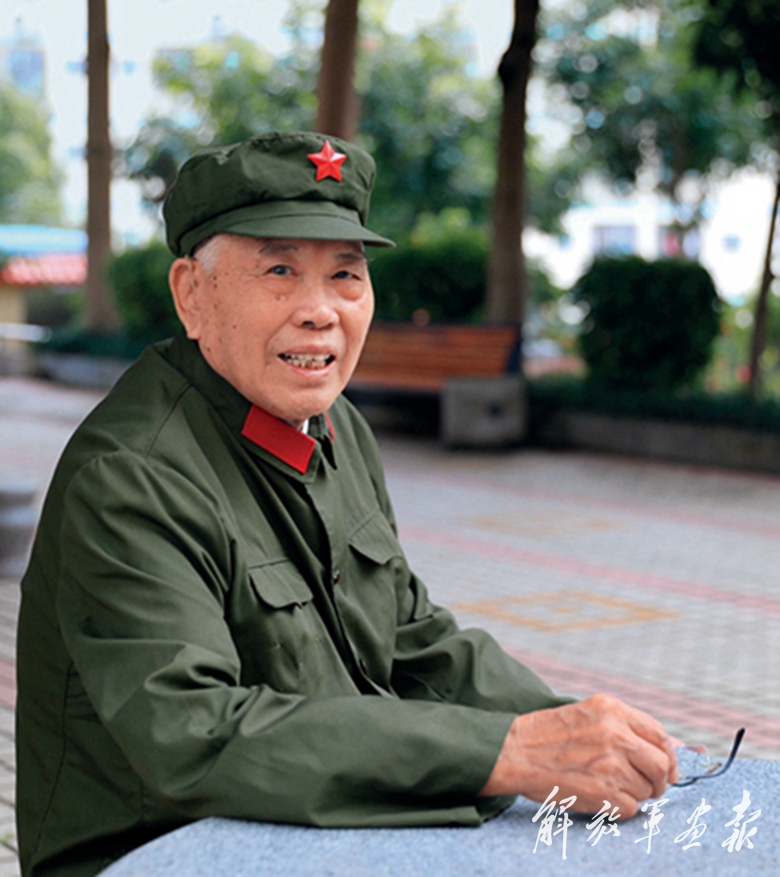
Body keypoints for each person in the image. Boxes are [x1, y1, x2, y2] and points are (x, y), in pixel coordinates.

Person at [15, 132, 678, 877]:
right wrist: (505, 752)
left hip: (312, 824)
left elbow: (412, 638)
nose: (319, 311)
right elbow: (195, 733)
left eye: (345, 275)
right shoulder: (131, 478)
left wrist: (570, 728)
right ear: (192, 295)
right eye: (279, 271)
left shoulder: (334, 428)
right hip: (158, 851)